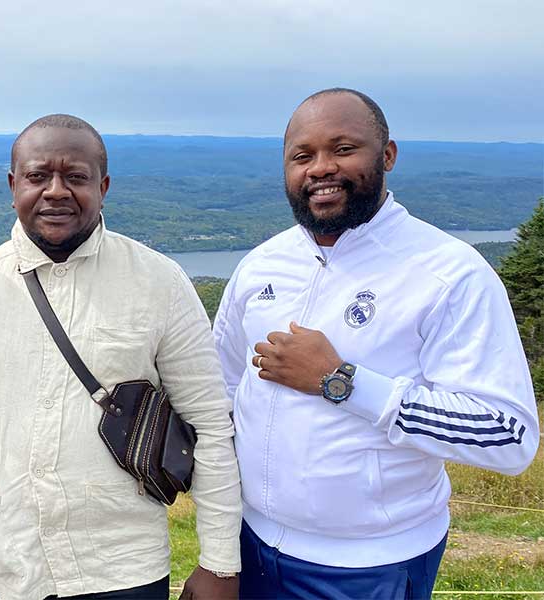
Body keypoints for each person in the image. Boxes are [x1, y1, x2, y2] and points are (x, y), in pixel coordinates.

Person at [212, 88, 539, 599]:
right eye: (302, 156)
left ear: (387, 155)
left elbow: (508, 435)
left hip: (370, 565)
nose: (320, 168)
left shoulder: (449, 275)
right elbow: (224, 393)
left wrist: (341, 382)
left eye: (343, 149)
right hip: (249, 543)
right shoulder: (260, 265)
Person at [0, 114, 242, 600]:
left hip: (122, 569)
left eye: (75, 176)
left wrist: (220, 564)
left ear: (104, 186)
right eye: (37, 176)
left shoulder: (159, 282)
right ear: (14, 186)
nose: (56, 191)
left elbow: (211, 426)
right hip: (8, 562)